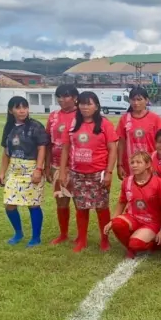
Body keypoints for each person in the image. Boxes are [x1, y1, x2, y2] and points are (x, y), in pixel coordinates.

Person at [58, 92, 118, 253]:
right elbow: (65, 149)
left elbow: (113, 149)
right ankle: (82, 240)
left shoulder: (105, 124)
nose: (85, 107)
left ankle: (104, 240)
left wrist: (109, 172)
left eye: (89, 104)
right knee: (81, 208)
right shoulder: (73, 124)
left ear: (96, 106)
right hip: (77, 173)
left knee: (102, 207)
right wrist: (63, 172)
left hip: (98, 173)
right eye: (82, 104)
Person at [0, 96, 50, 247]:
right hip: (15, 170)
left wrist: (38, 169)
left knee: (33, 204)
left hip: (31, 168)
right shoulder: (8, 128)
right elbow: (6, 152)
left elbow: (42, 148)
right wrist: (2, 172)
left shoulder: (35, 126)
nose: (22, 111)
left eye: (25, 107)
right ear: (10, 110)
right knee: (9, 204)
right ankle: (18, 233)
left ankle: (36, 237)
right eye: (18, 108)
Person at [104, 151, 161, 258]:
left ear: (148, 165)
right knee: (117, 224)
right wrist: (112, 221)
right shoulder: (127, 181)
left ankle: (155, 243)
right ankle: (131, 248)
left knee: (136, 244)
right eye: (132, 162)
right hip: (133, 217)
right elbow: (122, 202)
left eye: (138, 162)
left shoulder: (159, 183)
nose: (134, 165)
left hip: (152, 222)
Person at [45, 84, 78, 245]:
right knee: (61, 200)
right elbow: (48, 143)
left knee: (80, 202)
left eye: (65, 96)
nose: (61, 99)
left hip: (78, 166)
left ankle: (81, 235)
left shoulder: (82, 115)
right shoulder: (53, 116)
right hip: (58, 165)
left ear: (74, 98)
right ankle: (63, 234)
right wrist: (47, 165)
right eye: (59, 96)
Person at [117, 87, 161, 180]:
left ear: (146, 100)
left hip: (150, 164)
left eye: (139, 99)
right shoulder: (125, 119)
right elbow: (121, 143)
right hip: (131, 164)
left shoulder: (155, 119)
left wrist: (160, 162)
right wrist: (119, 164)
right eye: (133, 100)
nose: (136, 103)